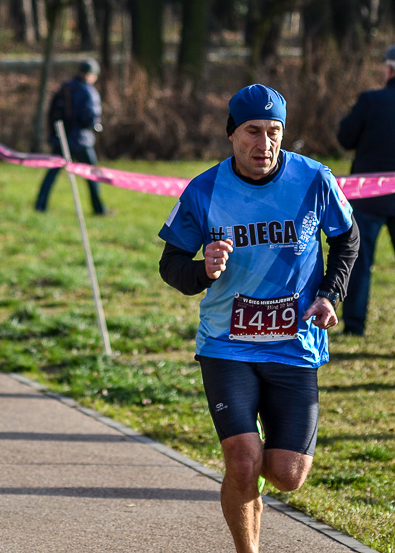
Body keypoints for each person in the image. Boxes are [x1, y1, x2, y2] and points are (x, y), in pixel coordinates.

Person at [157, 84, 359, 553]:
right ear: (232, 133)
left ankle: (252, 485)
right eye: (253, 131)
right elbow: (172, 267)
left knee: (287, 476)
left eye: (274, 133)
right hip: (227, 343)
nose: (263, 144)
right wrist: (202, 269)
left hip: (296, 343)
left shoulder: (313, 179)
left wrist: (330, 294)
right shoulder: (204, 189)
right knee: (244, 462)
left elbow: (347, 241)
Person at [336, 45, 395, 337]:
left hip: (369, 195)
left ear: (389, 70)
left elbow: (345, 138)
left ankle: (354, 326)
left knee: (358, 263)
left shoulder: (370, 101)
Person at [35, 57, 109, 215]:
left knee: (52, 173)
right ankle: (99, 209)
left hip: (62, 138)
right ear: (90, 75)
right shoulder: (88, 91)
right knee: (92, 175)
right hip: (81, 140)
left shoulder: (65, 88)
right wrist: (95, 126)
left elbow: (52, 113)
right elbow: (90, 117)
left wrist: (54, 134)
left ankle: (40, 205)